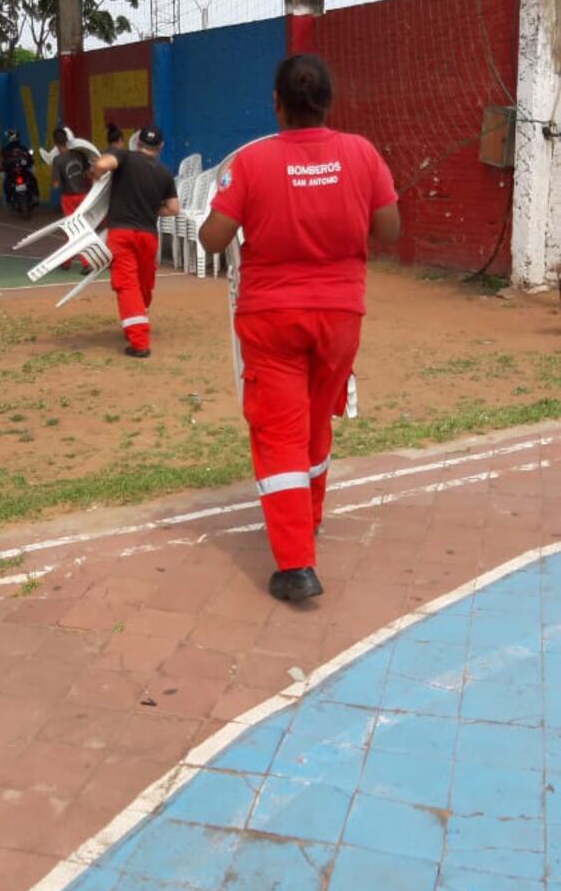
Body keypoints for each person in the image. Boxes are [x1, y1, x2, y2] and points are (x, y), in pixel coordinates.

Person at [200, 53, 400, 604]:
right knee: (314, 421)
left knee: (278, 433)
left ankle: (294, 567)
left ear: (277, 103)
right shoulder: (361, 153)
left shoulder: (254, 162)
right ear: (329, 102)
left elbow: (212, 240)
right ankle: (307, 516)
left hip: (271, 319)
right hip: (340, 318)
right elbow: (390, 228)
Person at [91, 126, 179, 357]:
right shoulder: (165, 174)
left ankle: (139, 342)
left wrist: (96, 178)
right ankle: (139, 315)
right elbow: (173, 209)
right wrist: (152, 210)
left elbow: (101, 165)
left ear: (137, 143)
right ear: (160, 147)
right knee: (144, 284)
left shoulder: (125, 157)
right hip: (148, 235)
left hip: (121, 233)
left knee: (127, 284)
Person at [52, 124, 93, 271]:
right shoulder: (79, 154)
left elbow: (56, 185)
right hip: (83, 196)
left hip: (68, 198)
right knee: (76, 229)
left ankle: (85, 263)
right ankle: (66, 261)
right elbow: (89, 175)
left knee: (74, 230)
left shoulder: (57, 160)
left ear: (55, 143)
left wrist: (57, 179)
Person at [0, 129, 38, 204]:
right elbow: (2, 161)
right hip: (14, 172)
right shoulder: (18, 148)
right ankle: (9, 199)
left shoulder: (17, 148)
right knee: (7, 183)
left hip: (21, 171)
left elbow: (29, 158)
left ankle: (34, 196)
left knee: (32, 180)